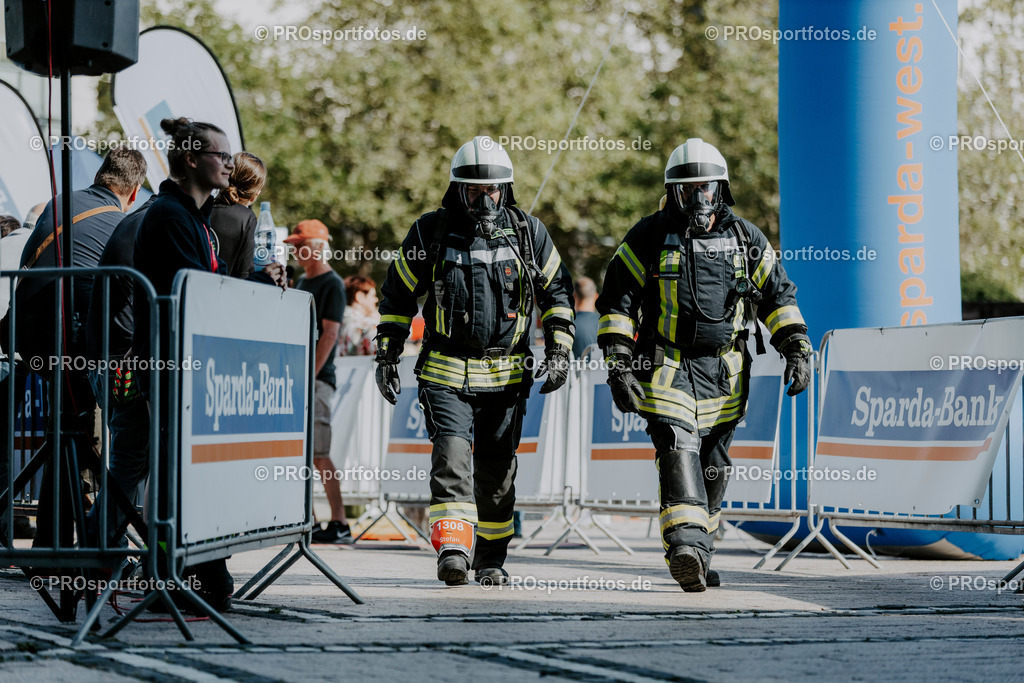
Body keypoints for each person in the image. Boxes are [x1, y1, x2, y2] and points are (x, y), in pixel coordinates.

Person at [596, 138, 811, 592]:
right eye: (688, 189)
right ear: (673, 192)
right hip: (666, 367)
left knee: (715, 465)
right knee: (678, 448)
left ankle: (701, 551)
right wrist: (619, 365)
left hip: (724, 372)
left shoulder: (745, 238)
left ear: (721, 189)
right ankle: (685, 547)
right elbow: (617, 303)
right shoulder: (648, 237)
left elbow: (777, 297)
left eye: (706, 188)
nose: (698, 198)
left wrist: (796, 347)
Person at [375, 136, 575, 586]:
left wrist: (559, 349)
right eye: (474, 191)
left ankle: (490, 559)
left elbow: (558, 294)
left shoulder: (529, 233)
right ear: (457, 190)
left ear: (506, 189)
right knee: (451, 458)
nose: (484, 200)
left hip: (507, 378)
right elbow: (398, 295)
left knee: (497, 473)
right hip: (446, 373)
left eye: (492, 191)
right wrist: (387, 353)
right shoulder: (431, 232)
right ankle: (453, 549)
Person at [132, 117, 285, 612]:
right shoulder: (170, 215)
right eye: (221, 155)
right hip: (169, 364)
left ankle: (196, 573)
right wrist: (257, 285)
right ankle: (171, 577)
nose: (228, 163)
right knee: (173, 476)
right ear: (193, 159)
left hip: (188, 365)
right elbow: (198, 290)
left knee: (188, 473)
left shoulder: (193, 216)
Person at [285, 220, 353, 545]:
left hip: (316, 380)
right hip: (300, 378)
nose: (296, 252)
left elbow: (330, 333)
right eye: (294, 246)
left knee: (319, 453)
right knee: (301, 454)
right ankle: (308, 520)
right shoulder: (301, 281)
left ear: (317, 247)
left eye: (300, 246)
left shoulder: (332, 283)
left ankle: (339, 523)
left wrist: (309, 374)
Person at [209, 152, 267, 279]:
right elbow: (245, 274)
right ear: (255, 194)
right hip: (224, 290)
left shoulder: (203, 207)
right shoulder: (247, 219)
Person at [339, 275, 379, 356]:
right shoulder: (369, 326)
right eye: (373, 295)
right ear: (359, 297)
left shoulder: (333, 322)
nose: (376, 300)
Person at [572, 276, 599, 359]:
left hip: (574, 367)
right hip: (601, 367)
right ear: (596, 296)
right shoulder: (605, 323)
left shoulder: (568, 324)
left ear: (574, 296)